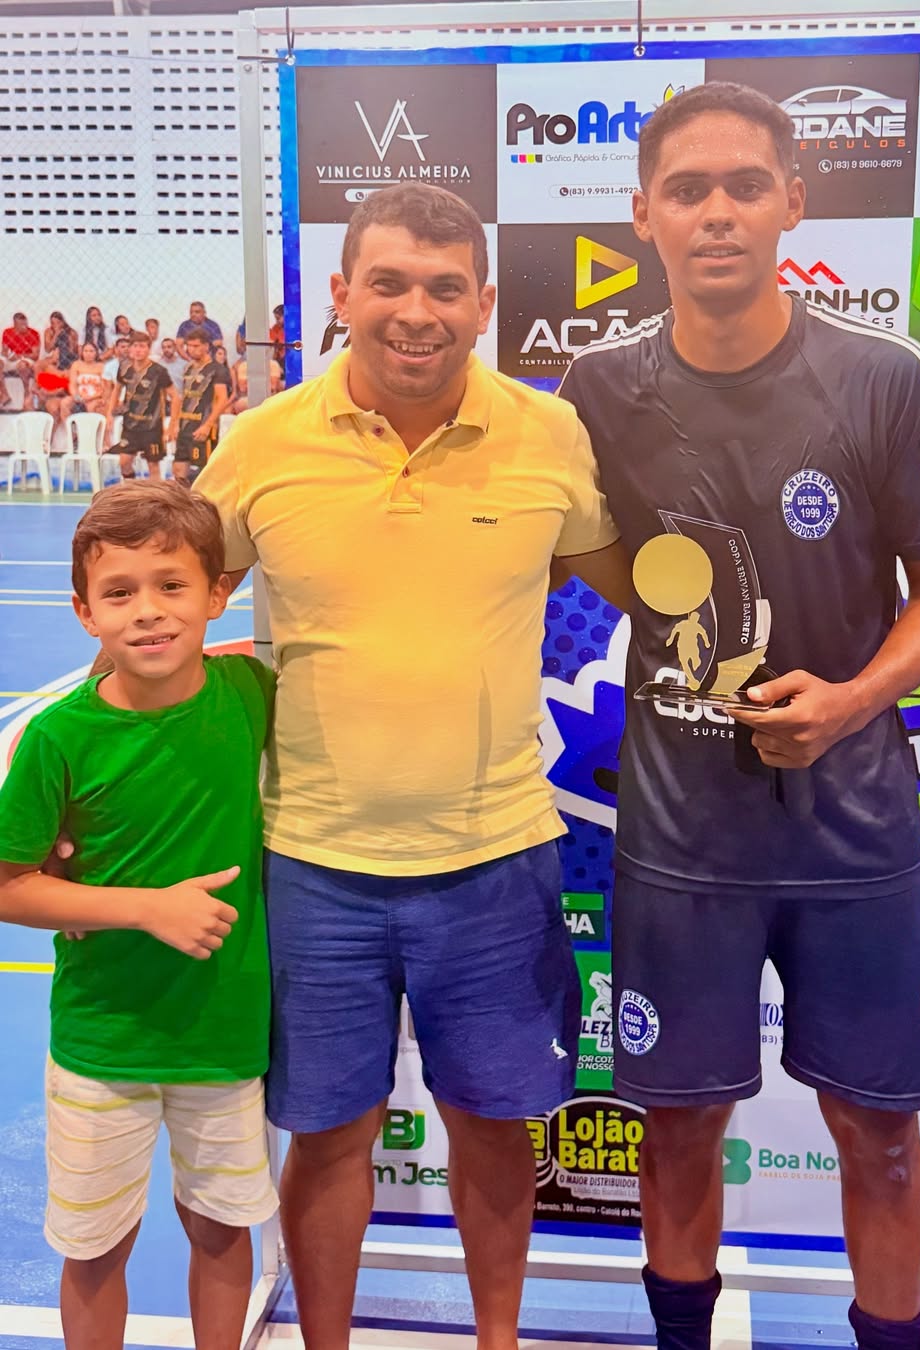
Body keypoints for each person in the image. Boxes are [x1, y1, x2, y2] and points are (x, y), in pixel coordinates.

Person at [558, 82, 920, 1350]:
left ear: (794, 200)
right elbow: (570, 546)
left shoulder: (885, 374)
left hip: (854, 831)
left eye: (746, 185)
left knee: (880, 1133)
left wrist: (849, 701)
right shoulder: (595, 387)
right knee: (680, 1127)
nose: (719, 213)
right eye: (688, 190)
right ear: (644, 215)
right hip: (681, 839)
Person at [195, 181, 632, 1350]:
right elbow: (171, 611)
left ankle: (498, 1344)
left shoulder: (549, 434)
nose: (416, 312)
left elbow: (627, 576)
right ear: (342, 293)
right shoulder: (259, 445)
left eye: (445, 287)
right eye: (387, 283)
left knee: (493, 1128)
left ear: (484, 302)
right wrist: (93, 778)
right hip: (312, 867)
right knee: (329, 1133)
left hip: (495, 860)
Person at [0, 482, 278, 1350]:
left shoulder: (251, 693)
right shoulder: (59, 738)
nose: (149, 611)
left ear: (218, 595)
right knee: (94, 1249)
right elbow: (9, 884)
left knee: (221, 1229)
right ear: (85, 613)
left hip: (224, 1033)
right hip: (104, 1042)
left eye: (172, 585)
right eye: (119, 593)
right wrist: (145, 909)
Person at [104, 331, 177, 482]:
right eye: (135, 346)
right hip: (130, 425)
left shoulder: (159, 371)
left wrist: (171, 427)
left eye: (142, 346)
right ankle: (131, 490)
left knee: (153, 465)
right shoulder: (124, 368)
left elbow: (176, 397)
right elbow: (116, 390)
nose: (138, 350)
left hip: (152, 426)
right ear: (130, 348)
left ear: (149, 349)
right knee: (124, 462)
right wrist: (110, 413)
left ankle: (155, 495)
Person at [168, 327, 230, 486]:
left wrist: (208, 425)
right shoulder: (188, 368)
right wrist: (175, 424)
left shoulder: (217, 369)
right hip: (185, 425)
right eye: (189, 346)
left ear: (206, 346)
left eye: (196, 346)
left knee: (203, 473)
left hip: (202, 425)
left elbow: (222, 399)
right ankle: (182, 500)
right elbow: (182, 397)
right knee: (178, 469)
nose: (191, 349)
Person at [2, 311, 41, 409]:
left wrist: (20, 356)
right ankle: (4, 394)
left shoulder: (33, 333)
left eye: (25, 324)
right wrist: (9, 355)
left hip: (25, 358)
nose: (24, 327)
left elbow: (35, 355)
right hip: (11, 358)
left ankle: (26, 392)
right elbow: (4, 351)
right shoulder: (7, 332)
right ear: (15, 324)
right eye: (21, 325)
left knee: (23, 365)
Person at [66, 341, 109, 416]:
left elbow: (104, 387)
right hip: (79, 396)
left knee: (90, 407)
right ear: (82, 352)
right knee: (65, 403)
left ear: (96, 353)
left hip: (95, 397)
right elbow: (72, 385)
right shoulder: (76, 364)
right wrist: (77, 397)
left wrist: (91, 398)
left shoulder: (102, 366)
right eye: (85, 351)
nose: (88, 354)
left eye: (91, 351)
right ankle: (68, 423)